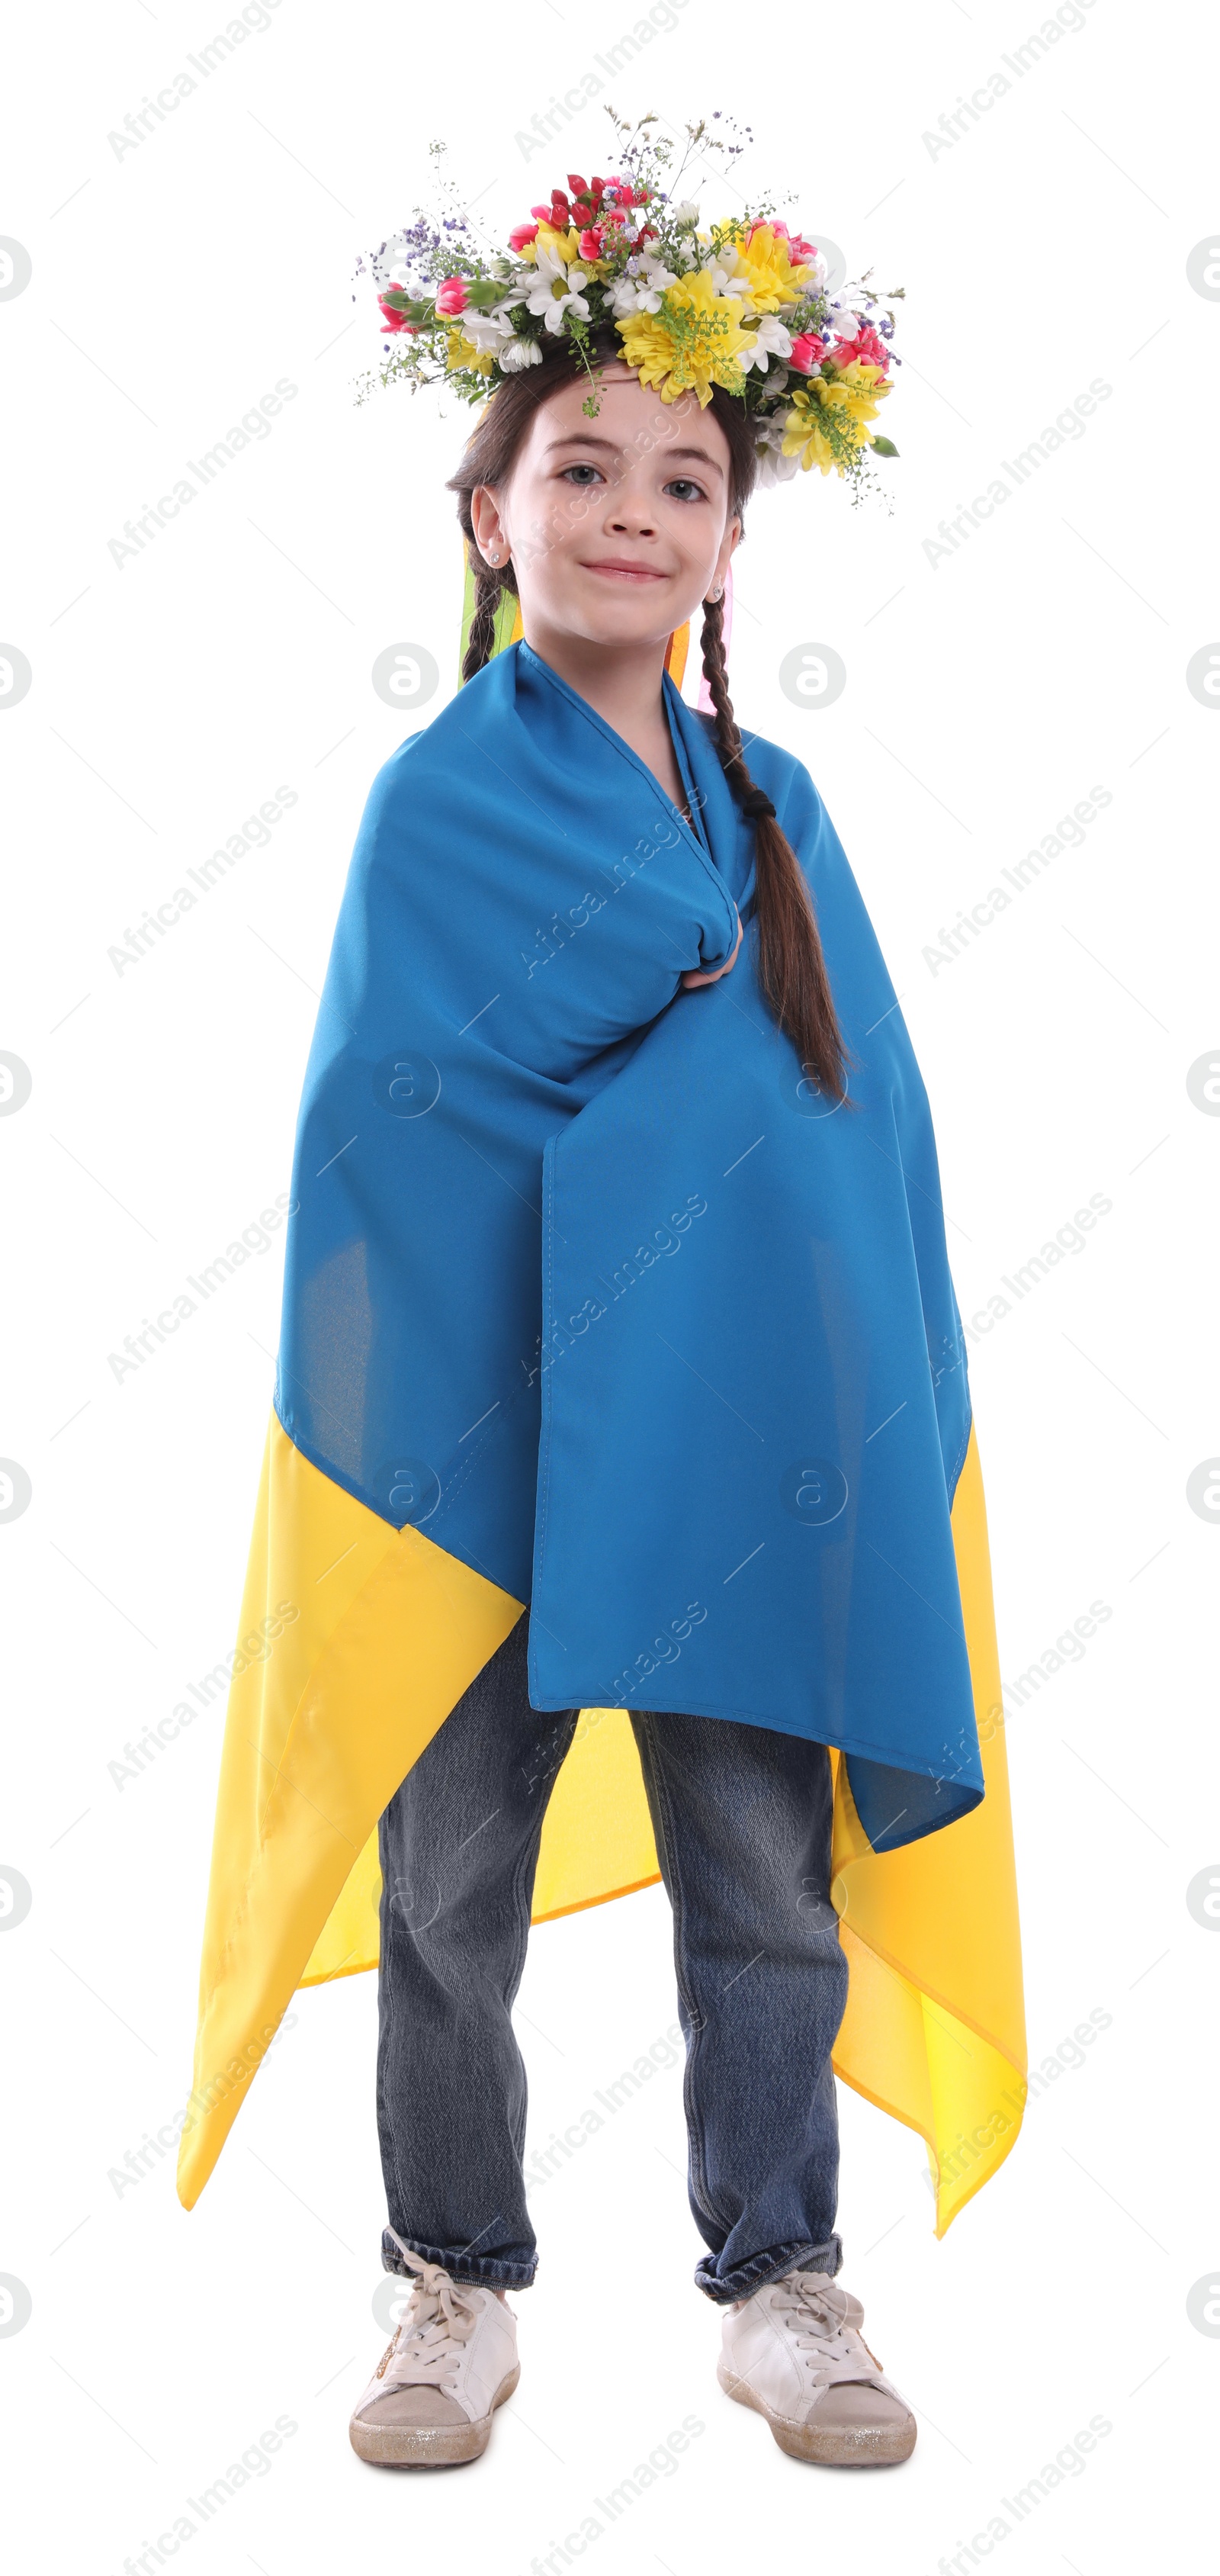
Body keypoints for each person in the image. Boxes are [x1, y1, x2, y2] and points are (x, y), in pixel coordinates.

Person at [180, 150, 1024, 2480]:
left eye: (685, 479)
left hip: (734, 1440)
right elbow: (406, 1131)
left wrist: (853, 1370)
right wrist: (679, 1099)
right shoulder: (431, 809)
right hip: (479, 1427)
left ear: (734, 543)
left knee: (765, 1871)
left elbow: (844, 1147)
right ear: (489, 516)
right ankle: (451, 2274)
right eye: (582, 468)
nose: (634, 512)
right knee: (450, 1883)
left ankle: (779, 2279)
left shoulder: (780, 811)